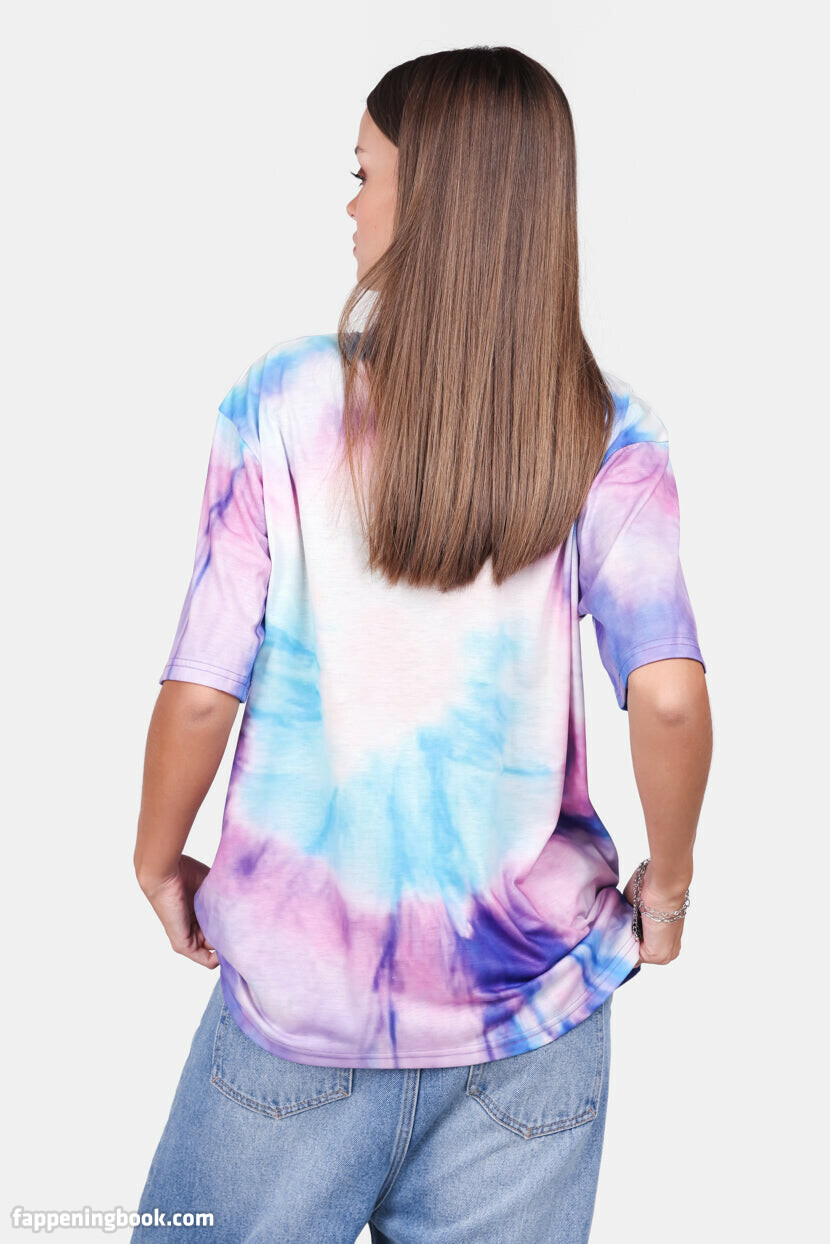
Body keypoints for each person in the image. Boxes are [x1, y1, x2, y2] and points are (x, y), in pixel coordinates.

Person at [131, 45, 712, 1244]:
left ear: (433, 192)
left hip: (304, 1013)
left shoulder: (281, 402)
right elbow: (665, 695)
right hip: (532, 1018)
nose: (350, 205)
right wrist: (668, 885)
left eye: (364, 172)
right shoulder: (607, 433)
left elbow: (200, 691)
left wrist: (154, 855)